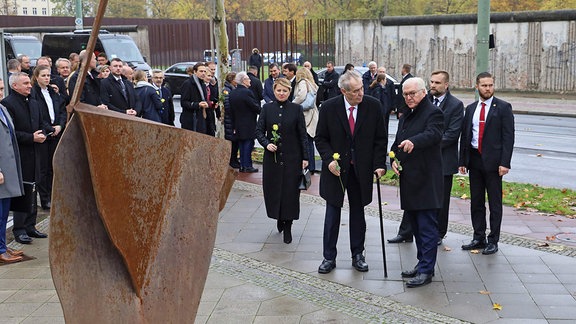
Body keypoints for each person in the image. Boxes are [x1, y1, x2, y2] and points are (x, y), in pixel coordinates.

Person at [314, 71, 387, 274]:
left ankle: (358, 254)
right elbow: (320, 138)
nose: (360, 94)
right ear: (343, 91)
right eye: (355, 91)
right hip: (336, 170)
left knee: (358, 213)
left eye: (362, 89)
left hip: (361, 170)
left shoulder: (373, 106)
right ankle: (328, 257)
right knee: (332, 213)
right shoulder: (329, 108)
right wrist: (328, 160)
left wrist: (379, 164)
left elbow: (380, 140)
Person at [391, 77, 444, 288]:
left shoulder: (433, 112)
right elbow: (397, 142)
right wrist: (393, 158)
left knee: (427, 227)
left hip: (426, 179)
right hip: (409, 180)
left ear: (423, 92)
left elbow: (433, 134)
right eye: (405, 94)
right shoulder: (406, 115)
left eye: (412, 93)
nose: (409, 97)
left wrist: (414, 142)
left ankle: (426, 270)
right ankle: (422, 263)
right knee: (415, 226)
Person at [459, 72, 515, 255]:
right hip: (475, 160)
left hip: (494, 163)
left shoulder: (504, 108)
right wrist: (463, 161)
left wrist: (505, 163)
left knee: (495, 203)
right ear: (477, 87)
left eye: (490, 85)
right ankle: (478, 237)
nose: (488, 88)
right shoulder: (471, 108)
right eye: (484, 85)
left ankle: (493, 240)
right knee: (476, 201)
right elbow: (466, 136)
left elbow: (508, 138)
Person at [255, 78, 309, 244]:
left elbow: (302, 135)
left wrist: (306, 157)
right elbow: (259, 131)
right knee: (274, 189)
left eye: (285, 91)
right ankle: (278, 217)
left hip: (293, 157)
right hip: (273, 159)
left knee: (291, 192)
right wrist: (266, 144)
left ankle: (288, 226)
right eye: (279, 90)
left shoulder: (296, 109)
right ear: (274, 90)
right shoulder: (267, 108)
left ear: (289, 92)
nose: (282, 93)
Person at [2, 72, 53, 244]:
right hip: (20, 155)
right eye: (25, 83)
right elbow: (10, 132)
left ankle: (31, 225)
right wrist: (31, 137)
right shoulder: (8, 104)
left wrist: (46, 132)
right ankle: (19, 228)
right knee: (23, 191)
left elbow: (41, 123)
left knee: (34, 189)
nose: (30, 86)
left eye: (29, 83)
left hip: (36, 152)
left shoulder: (33, 102)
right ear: (15, 86)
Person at [30, 65, 66, 211]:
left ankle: (53, 196)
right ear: (37, 76)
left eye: (48, 75)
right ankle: (45, 199)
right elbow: (38, 114)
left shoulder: (53, 91)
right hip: (44, 133)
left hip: (56, 131)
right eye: (43, 75)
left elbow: (62, 109)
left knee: (53, 167)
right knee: (43, 168)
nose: (46, 78)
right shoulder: (34, 93)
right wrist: (49, 128)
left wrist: (60, 126)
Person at [0, 98, 25, 263]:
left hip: (8, 169)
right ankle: (0, 250)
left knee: (3, 212)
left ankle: (2, 245)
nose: (1, 92)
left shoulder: (2, 108)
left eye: (1, 89)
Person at [229, 72, 261, 173]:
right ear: (243, 80)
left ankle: (242, 165)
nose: (250, 80)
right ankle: (247, 165)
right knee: (248, 143)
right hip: (248, 122)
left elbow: (230, 110)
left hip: (237, 122)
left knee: (241, 143)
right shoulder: (247, 92)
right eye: (248, 79)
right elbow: (254, 106)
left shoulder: (233, 92)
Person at [292, 68, 319, 174]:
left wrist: (292, 104)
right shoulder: (312, 83)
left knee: (305, 141)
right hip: (312, 115)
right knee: (309, 142)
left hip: (306, 115)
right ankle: (311, 166)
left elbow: (301, 96)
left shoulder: (303, 83)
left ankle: (308, 166)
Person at [180, 62, 210, 133]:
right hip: (191, 119)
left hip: (200, 118)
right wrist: (197, 104)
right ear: (195, 72)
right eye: (201, 71)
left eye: (205, 71)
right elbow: (183, 102)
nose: (203, 73)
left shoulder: (202, 83)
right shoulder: (188, 84)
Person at [222, 72, 240, 168]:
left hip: (234, 119)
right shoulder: (226, 90)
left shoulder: (234, 89)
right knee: (231, 141)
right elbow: (228, 105)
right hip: (230, 120)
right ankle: (231, 160)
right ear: (232, 80)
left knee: (235, 141)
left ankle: (234, 159)